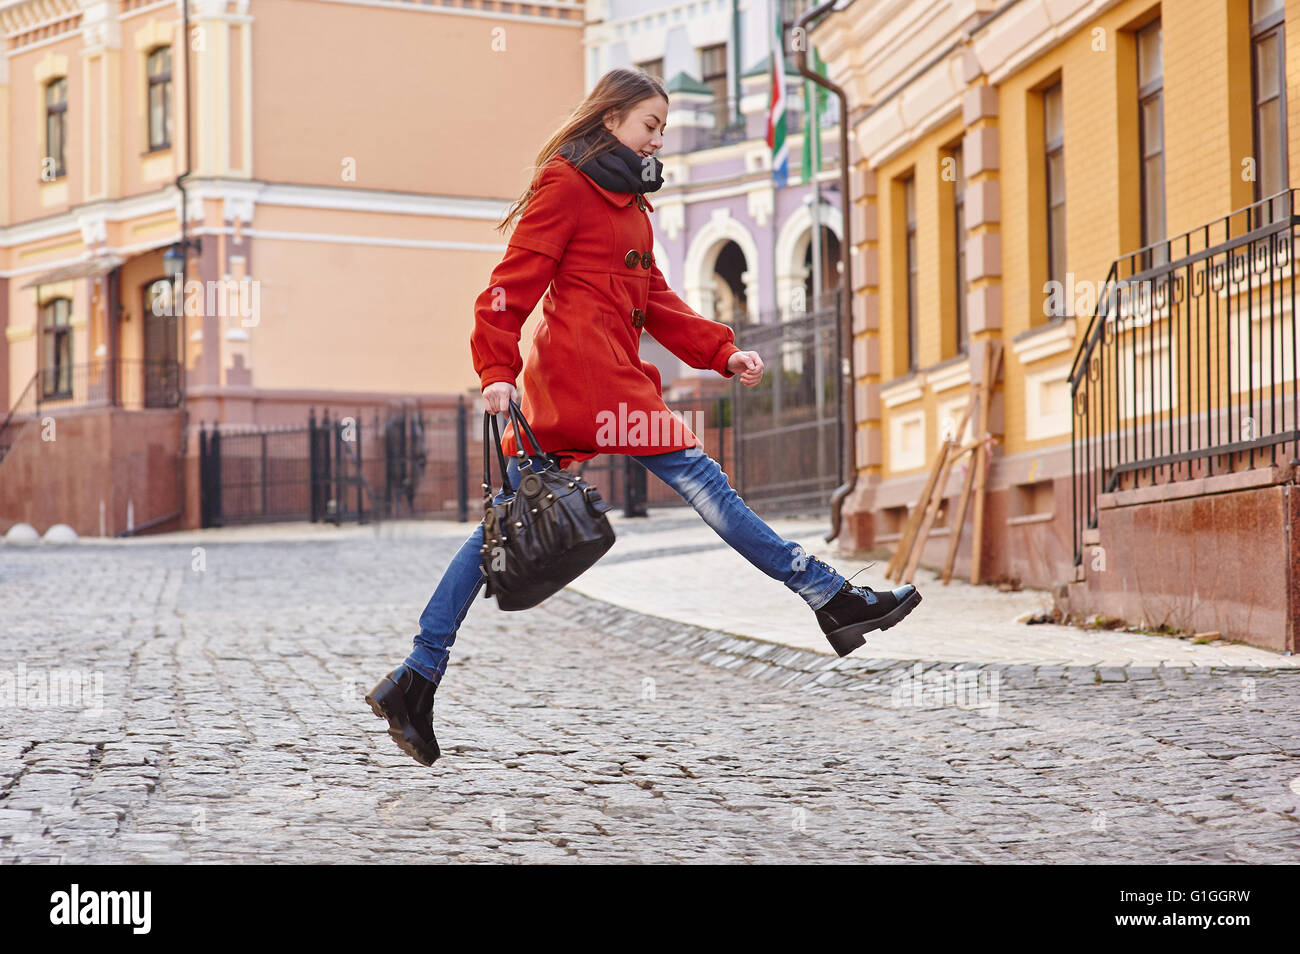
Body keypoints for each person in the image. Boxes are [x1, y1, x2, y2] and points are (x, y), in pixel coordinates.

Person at [366, 67, 921, 767]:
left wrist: (722, 351)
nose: (659, 137)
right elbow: (507, 289)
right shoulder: (567, 187)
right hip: (592, 390)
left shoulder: (631, 205)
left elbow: (656, 300)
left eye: (661, 127)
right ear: (610, 121)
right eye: (649, 125)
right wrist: (495, 372)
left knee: (502, 530)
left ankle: (415, 677)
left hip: (591, 392)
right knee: (705, 485)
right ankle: (828, 595)